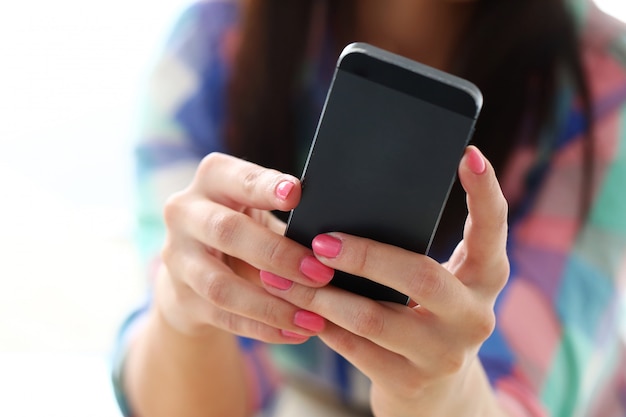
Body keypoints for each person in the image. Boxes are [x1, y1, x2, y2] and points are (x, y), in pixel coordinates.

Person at [111, 0, 626, 416]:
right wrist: (185, 313)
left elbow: (532, 396)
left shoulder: (603, 80)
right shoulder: (219, 39)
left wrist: (438, 394)